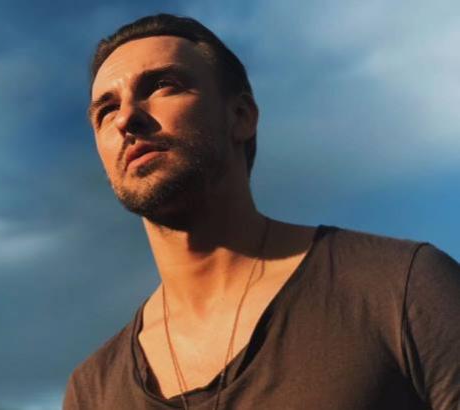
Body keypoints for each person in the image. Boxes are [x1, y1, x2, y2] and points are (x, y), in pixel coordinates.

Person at [63, 14, 460, 410]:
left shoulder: (400, 288)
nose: (126, 118)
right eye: (106, 111)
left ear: (241, 116)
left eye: (163, 85)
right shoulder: (93, 391)